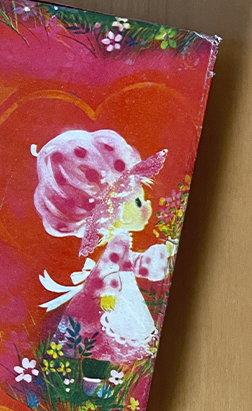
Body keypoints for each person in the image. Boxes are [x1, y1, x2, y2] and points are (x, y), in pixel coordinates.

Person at [32, 129, 171, 393]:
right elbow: (108, 269)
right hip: (104, 304)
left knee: (100, 348)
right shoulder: (117, 243)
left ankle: (87, 387)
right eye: (138, 201)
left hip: (115, 299)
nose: (147, 206)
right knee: (97, 346)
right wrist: (108, 294)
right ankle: (86, 387)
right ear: (116, 211)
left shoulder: (121, 241)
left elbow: (131, 264)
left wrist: (158, 258)